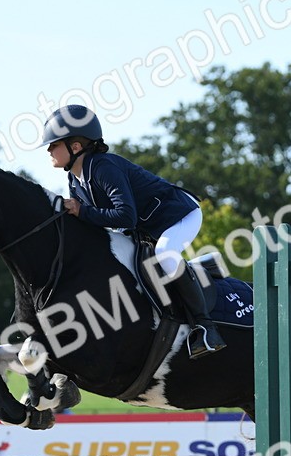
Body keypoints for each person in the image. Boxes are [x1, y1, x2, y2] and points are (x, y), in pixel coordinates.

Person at [40, 104, 225, 359]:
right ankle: (197, 272)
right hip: (147, 227)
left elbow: (126, 216)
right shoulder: (75, 178)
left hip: (179, 215)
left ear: (76, 147)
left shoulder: (103, 167)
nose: (49, 149)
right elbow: (89, 222)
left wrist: (82, 212)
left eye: (54, 144)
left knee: (165, 253)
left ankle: (205, 327)